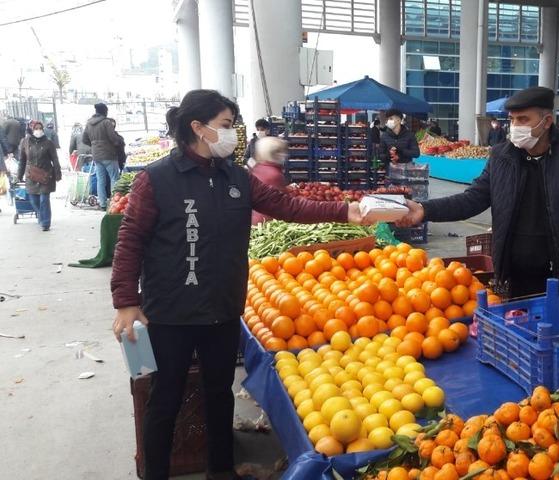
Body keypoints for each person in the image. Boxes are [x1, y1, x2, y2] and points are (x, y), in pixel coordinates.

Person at [110, 89, 363, 480]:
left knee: (218, 393)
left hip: (223, 309)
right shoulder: (157, 179)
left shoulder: (236, 177)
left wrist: (346, 211)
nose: (233, 135)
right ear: (198, 127)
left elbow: (290, 206)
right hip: (170, 313)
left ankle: (221, 471)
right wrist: (126, 301)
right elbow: (130, 239)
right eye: (226, 126)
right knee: (165, 399)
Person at [397, 86, 559, 301]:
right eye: (512, 120)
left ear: (547, 122)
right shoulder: (502, 156)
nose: (515, 126)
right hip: (518, 274)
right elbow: (473, 198)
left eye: (524, 119)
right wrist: (425, 209)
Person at [16, 120, 62, 231]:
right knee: (34, 200)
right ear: (31, 130)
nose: (38, 130)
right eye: (36, 128)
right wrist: (19, 175)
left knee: (44, 200)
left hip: (46, 175)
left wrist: (57, 173)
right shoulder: (25, 142)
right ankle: (41, 216)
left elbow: (55, 159)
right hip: (31, 176)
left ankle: (45, 223)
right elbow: (22, 160)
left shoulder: (48, 143)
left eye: (40, 128)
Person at [82, 103, 124, 210]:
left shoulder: (88, 123)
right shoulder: (106, 122)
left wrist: (94, 145)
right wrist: (118, 142)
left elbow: (84, 139)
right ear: (104, 111)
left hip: (96, 155)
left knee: (101, 180)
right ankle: (115, 203)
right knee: (114, 178)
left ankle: (103, 204)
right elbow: (113, 138)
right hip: (109, 154)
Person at [250, 136, 288, 225]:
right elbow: (282, 204)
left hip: (254, 219)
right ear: (272, 153)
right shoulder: (274, 175)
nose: (284, 155)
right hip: (268, 222)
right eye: (279, 152)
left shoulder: (257, 168)